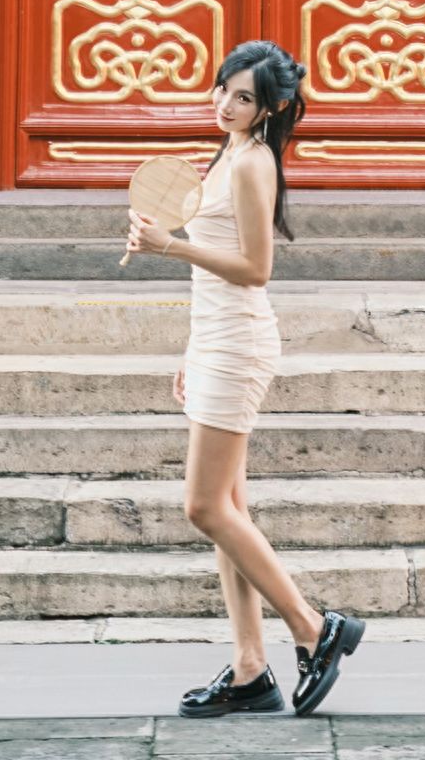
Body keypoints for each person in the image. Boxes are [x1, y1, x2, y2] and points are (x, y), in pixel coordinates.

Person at [125, 37, 365, 719]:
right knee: (228, 512)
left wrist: (169, 245)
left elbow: (257, 269)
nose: (225, 104)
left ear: (272, 107)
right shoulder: (227, 152)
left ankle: (316, 630)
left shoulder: (255, 162)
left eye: (243, 97)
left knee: (204, 508)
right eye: (222, 89)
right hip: (215, 343)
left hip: (240, 346)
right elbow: (216, 268)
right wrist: (192, 352)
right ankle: (251, 669)